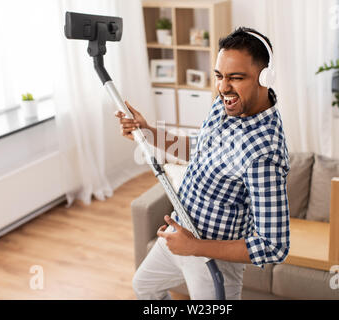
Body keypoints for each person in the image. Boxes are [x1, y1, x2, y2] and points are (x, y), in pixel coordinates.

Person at [115, 27, 290, 300]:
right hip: (179, 232)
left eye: (236, 78)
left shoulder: (263, 154)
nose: (223, 87)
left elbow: (273, 246)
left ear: (265, 77)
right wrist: (148, 131)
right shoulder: (226, 105)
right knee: (144, 286)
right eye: (219, 76)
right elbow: (199, 150)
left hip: (212, 260)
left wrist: (195, 246)